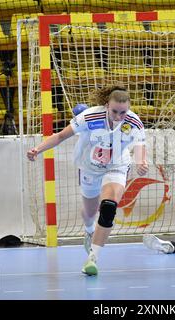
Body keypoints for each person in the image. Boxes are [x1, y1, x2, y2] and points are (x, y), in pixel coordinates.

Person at [27, 84, 148, 276]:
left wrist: (141, 162)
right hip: (89, 167)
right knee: (90, 212)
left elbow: (140, 146)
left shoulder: (134, 122)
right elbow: (60, 136)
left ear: (129, 108)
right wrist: (38, 149)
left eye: (123, 112)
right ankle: (89, 229)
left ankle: (92, 258)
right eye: (114, 111)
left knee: (108, 207)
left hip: (116, 166)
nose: (118, 116)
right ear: (107, 105)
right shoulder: (90, 116)